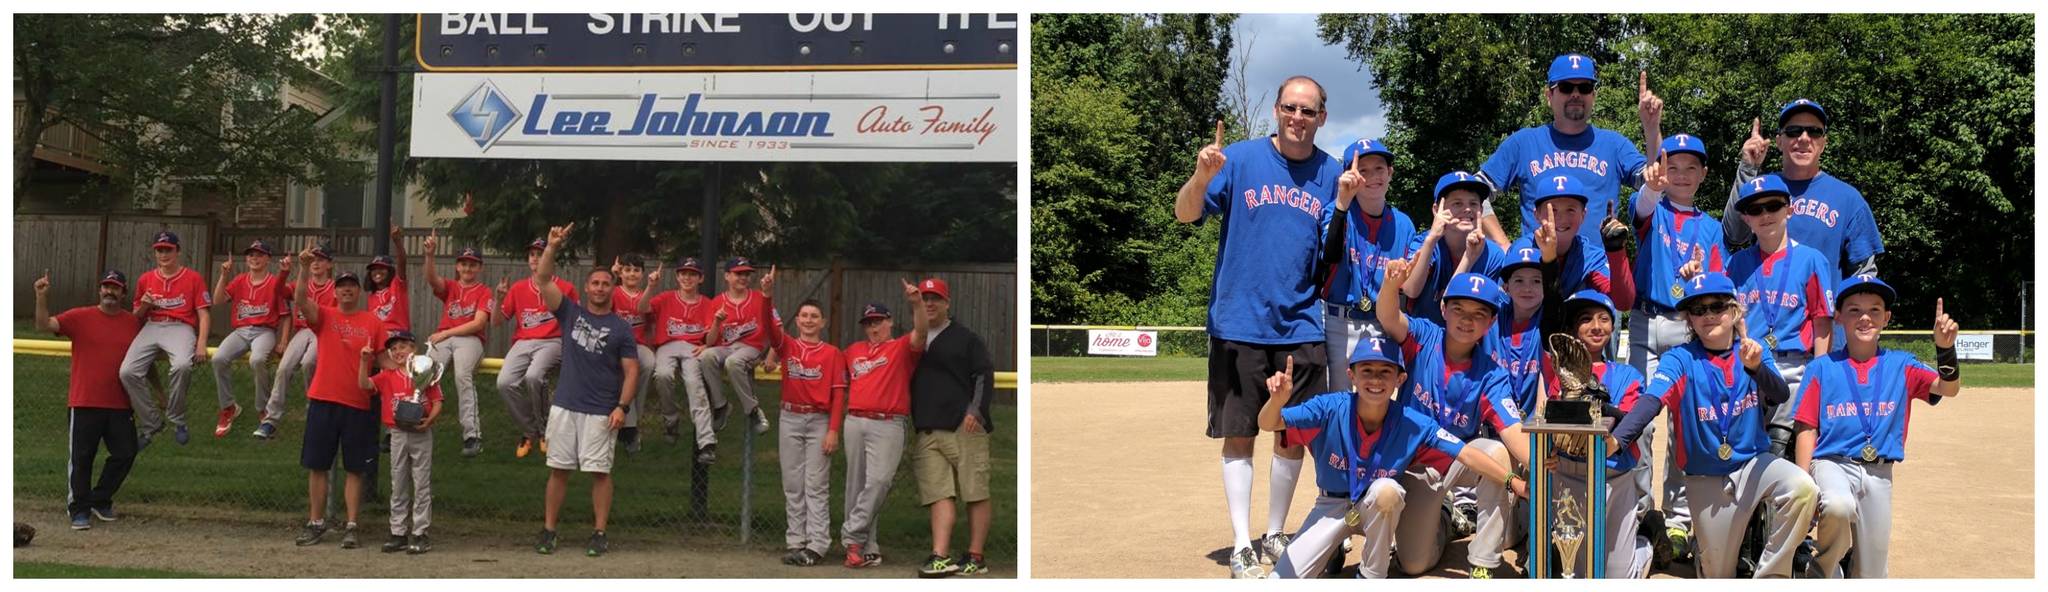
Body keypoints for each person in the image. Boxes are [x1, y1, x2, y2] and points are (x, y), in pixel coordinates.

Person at [1173, 75, 1341, 577]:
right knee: (1239, 432)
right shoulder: (1241, 158)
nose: (1298, 118)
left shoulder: (1331, 172)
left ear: (1321, 118)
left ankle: (1274, 532)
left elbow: (1335, 245)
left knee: (1291, 434)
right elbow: (1185, 214)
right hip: (1240, 322)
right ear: (1276, 110)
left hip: (1302, 324)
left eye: (1308, 111)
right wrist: (1202, 176)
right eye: (1290, 107)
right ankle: (1242, 541)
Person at [1262, 337, 1527, 579]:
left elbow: (1466, 453)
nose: (1375, 380)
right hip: (1331, 505)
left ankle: (1371, 575)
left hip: (1379, 506)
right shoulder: (1328, 407)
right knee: (1281, 579)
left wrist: (1512, 480)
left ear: (1399, 379)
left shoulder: (1412, 421)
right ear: (1351, 375)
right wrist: (1276, 402)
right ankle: (1331, 548)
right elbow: (1268, 424)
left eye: (1385, 372)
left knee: (1386, 491)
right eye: (1366, 371)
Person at [1635, 272, 1818, 578]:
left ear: (1734, 312)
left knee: (1803, 488)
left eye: (1718, 306)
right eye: (1698, 310)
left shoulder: (1753, 351)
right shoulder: (1680, 358)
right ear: (1689, 319)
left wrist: (1756, 368)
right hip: (1705, 476)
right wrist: (1617, 437)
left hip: (1752, 465)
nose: (1709, 315)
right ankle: (1706, 555)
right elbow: (1651, 402)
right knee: (1718, 574)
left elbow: (1780, 393)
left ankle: (1770, 577)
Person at [1792, 276, 1960, 578]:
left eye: (1874, 310)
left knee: (1872, 573)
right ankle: (1822, 570)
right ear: (1839, 317)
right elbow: (1806, 427)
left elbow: (1947, 388)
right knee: (1838, 506)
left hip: (1880, 472)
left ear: (1887, 318)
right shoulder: (1821, 368)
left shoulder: (1902, 364)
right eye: (1854, 310)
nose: (1865, 317)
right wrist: (1804, 486)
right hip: (1832, 463)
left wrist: (1945, 349)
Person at [1373, 265, 1532, 579]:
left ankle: (1483, 562)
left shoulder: (1491, 373)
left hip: (1461, 459)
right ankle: (1447, 516)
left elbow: (1512, 430)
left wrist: (1542, 469)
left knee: (1497, 452)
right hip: (1415, 467)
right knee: (1414, 565)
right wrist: (1391, 286)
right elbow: (1390, 318)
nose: (1467, 320)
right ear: (1443, 309)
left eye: (1478, 314)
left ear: (1489, 323)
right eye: (1458, 309)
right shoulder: (1423, 336)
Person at [1626, 133, 1726, 564]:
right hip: (1646, 321)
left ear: (1703, 175)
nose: (1681, 175)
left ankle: (1680, 518)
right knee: (1642, 422)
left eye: (1691, 168)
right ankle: (1643, 512)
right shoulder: (1654, 210)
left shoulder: (1713, 226)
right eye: (1673, 167)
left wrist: (1699, 277)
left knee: (1685, 425)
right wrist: (1652, 169)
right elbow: (1643, 204)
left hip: (1688, 326)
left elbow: (1720, 287)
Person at [528, 222, 641, 557]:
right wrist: (551, 247)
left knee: (600, 473)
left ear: (613, 288)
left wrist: (622, 406)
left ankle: (599, 532)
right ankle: (549, 530)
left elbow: (632, 371)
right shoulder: (569, 312)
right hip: (565, 405)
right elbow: (543, 280)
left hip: (601, 411)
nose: (601, 287)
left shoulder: (621, 328)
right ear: (586, 287)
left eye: (607, 283)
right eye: (595, 282)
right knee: (558, 471)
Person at [1537, 290, 1656, 578]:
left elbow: (1626, 420)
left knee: (1618, 577)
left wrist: (1599, 408)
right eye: (1585, 319)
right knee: (1576, 572)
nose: (1596, 326)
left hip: (1613, 476)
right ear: (1573, 329)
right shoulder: (1558, 373)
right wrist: (1551, 450)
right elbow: (1550, 419)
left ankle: (1648, 538)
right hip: (1568, 474)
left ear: (1613, 328)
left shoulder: (1627, 374)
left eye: (1604, 319)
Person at [1476, 53, 1647, 248]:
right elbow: (1473, 193)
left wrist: (1650, 127)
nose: (1576, 94)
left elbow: (1656, 183)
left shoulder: (1615, 145)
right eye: (1566, 87)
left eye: (1584, 87)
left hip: (1598, 272)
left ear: (1593, 96)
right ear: (1549, 95)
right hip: (1536, 271)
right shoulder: (1523, 143)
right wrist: (1505, 248)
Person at [1723, 175, 1837, 458]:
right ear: (1746, 219)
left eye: (1773, 206)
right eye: (1755, 210)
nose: (1765, 215)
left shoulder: (1811, 259)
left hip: (1795, 367)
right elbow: (1730, 319)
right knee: (1744, 450)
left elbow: (1822, 321)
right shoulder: (1737, 263)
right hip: (1751, 367)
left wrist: (1820, 374)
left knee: (1780, 450)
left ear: (1789, 209)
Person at [287, 241, 385, 550]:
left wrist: (410, 372)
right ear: (335, 292)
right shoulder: (325, 317)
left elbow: (384, 361)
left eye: (351, 286)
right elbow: (300, 299)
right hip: (324, 400)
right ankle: (316, 522)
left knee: (355, 467)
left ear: (359, 291)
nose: (346, 291)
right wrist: (303, 267)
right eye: (341, 286)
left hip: (358, 403)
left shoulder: (373, 322)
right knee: (318, 464)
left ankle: (352, 525)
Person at [1723, 99, 1884, 285]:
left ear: (1824, 143)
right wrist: (1748, 168)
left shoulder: (1849, 199)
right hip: (1766, 309)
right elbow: (1734, 235)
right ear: (1779, 141)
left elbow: (1864, 274)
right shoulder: (1762, 189)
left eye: (1814, 132)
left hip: (1822, 312)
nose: (1804, 138)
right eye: (1794, 131)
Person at [35, 269, 144, 530]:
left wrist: (158, 394)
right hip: (84, 401)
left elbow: (145, 362)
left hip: (119, 402)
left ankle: (100, 498)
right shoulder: (80, 316)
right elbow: (43, 325)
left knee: (126, 452)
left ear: (123, 293)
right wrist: (41, 297)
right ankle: (79, 508)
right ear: (99, 290)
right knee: (82, 458)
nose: (110, 291)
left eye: (115, 288)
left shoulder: (132, 323)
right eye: (106, 286)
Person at [908, 278, 998, 578]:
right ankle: (940, 555)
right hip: (928, 428)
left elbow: (984, 374)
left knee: (975, 491)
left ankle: (976, 556)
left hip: (964, 426)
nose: (930, 303)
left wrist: (976, 411)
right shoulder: (913, 340)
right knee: (939, 494)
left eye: (936, 298)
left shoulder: (965, 338)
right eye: (925, 298)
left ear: (947, 303)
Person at [1318, 138, 1417, 393]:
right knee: (1337, 402)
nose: (1373, 177)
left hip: (1381, 322)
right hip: (1339, 320)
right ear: (1349, 175)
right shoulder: (1336, 212)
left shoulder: (1403, 224)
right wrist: (1342, 203)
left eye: (1379, 169)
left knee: (1378, 398)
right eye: (1363, 170)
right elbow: (1328, 256)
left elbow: (1409, 288)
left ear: (1390, 173)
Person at [838, 293, 929, 569]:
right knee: (856, 486)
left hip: (888, 422)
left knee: (878, 482)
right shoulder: (853, 351)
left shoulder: (901, 347)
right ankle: (865, 548)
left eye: (878, 321)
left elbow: (922, 331)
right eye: (868, 323)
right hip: (854, 421)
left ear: (890, 322)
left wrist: (916, 304)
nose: (873, 327)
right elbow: (828, 369)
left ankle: (851, 535)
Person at [763, 299, 843, 567]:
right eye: (804, 316)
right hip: (790, 417)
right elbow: (771, 330)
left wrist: (833, 430)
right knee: (793, 482)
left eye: (814, 316)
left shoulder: (832, 353)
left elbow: (838, 394)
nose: (809, 320)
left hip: (819, 419)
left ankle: (817, 543)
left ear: (823, 322)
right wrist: (767, 295)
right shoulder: (788, 346)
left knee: (815, 484)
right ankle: (796, 540)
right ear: (796, 321)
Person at [119, 230, 212, 448]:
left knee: (182, 366)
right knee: (127, 372)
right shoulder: (146, 279)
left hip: (181, 327)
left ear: (177, 251)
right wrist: (145, 305)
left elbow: (204, 313)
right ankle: (152, 422)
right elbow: (136, 317)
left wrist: (201, 342)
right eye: (159, 250)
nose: (163, 254)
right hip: (152, 325)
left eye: (168, 249)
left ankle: (177, 419)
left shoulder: (193, 278)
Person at [498, 237, 581, 458]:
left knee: (534, 377)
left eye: (540, 253)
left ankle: (545, 432)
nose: (535, 258)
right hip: (523, 342)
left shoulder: (565, 287)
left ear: (550, 257)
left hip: (552, 341)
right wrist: (499, 299)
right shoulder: (517, 288)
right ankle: (530, 430)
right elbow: (497, 321)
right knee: (504, 383)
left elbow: (576, 321)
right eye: (532, 254)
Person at [360, 330, 442, 554]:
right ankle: (397, 532)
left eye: (403, 347)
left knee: (421, 483)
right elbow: (364, 385)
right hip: (396, 432)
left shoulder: (425, 372)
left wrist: (429, 422)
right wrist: (364, 362)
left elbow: (437, 402)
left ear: (413, 349)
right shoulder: (387, 375)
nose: (398, 352)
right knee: (399, 483)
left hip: (421, 433)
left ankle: (420, 533)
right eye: (393, 349)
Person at [421, 233, 493, 458]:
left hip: (470, 339)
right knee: (423, 373)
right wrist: (430, 255)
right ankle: (409, 418)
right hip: (445, 338)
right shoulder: (451, 286)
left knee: (463, 376)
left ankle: (472, 436)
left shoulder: (484, 291)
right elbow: (432, 279)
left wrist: (446, 333)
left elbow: (478, 323)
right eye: (463, 263)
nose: (467, 268)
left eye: (472, 264)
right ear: (457, 266)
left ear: (479, 267)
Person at [209, 239, 288, 438]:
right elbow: (217, 300)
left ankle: (263, 409)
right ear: (246, 258)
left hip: (264, 330)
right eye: (251, 255)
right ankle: (228, 408)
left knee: (258, 360)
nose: (255, 258)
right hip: (240, 331)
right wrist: (224, 275)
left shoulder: (274, 283)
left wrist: (283, 340)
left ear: (268, 259)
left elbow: (286, 315)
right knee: (218, 358)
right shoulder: (240, 280)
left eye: (260, 255)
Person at [1405, 172, 1505, 327]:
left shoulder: (1493, 254)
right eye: (1457, 203)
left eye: (1473, 204)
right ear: (1437, 209)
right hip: (1424, 336)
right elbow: (1411, 290)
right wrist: (1431, 240)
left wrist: (1469, 257)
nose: (1467, 209)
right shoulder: (1424, 242)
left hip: (1470, 337)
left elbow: (1460, 310)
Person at [643, 257, 719, 462]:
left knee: (695, 385)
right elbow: (642, 308)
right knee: (663, 375)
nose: (687, 277)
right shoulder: (666, 298)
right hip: (667, 345)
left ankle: (707, 443)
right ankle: (671, 419)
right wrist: (650, 286)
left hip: (693, 348)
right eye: (683, 273)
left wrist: (707, 345)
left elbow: (711, 337)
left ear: (700, 278)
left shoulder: (707, 304)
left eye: (693, 274)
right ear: (677, 276)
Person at [258, 242, 335, 440]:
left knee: (309, 363)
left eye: (320, 259)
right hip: (302, 330)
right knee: (284, 368)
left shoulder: (334, 288)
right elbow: (278, 291)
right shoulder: (301, 283)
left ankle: (313, 413)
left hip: (323, 332)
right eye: (313, 259)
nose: (316, 263)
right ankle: (270, 420)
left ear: (329, 264)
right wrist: (283, 273)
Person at [700, 257, 779, 436]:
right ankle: (721, 406)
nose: (743, 277)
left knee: (733, 362)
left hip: (751, 347)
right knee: (706, 356)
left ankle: (753, 411)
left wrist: (771, 356)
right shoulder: (717, 302)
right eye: (738, 274)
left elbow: (777, 329)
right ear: (727, 276)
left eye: (746, 274)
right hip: (725, 347)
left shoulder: (760, 298)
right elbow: (710, 342)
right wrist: (716, 322)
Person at [607, 254, 660, 455]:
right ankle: (628, 428)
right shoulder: (614, 292)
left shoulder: (647, 295)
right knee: (620, 373)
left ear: (642, 274)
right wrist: (611, 277)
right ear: (620, 273)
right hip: (614, 346)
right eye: (627, 269)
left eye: (636, 270)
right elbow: (601, 303)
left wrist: (650, 287)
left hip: (636, 345)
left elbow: (643, 309)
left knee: (648, 362)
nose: (632, 273)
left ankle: (629, 421)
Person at [365, 223, 412, 340]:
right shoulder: (371, 297)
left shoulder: (397, 286)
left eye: (382, 268)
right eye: (374, 269)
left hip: (398, 336)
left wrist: (397, 241)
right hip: (379, 337)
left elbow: (402, 262)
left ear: (390, 271)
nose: (377, 272)